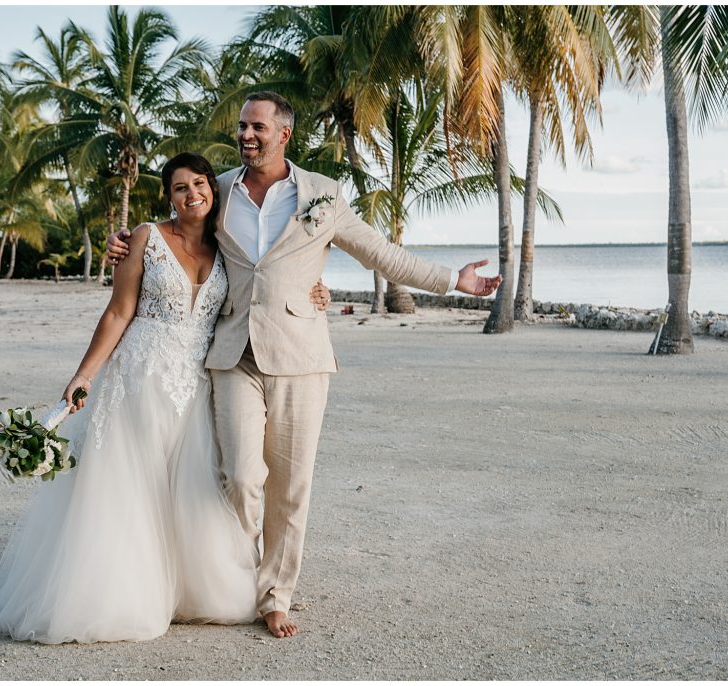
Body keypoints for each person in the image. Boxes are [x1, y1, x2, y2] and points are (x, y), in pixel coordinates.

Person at [107, 91, 502, 638]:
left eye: (257, 127)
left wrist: (451, 280)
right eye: (243, 127)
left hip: (300, 354)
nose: (246, 135)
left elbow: (380, 253)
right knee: (240, 476)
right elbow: (181, 231)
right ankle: (233, 582)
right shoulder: (218, 189)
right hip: (231, 353)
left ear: (283, 134)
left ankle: (275, 596)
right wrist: (126, 241)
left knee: (290, 485)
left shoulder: (323, 195)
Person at [0, 152, 332, 644]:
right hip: (138, 377)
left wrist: (317, 290)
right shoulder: (144, 238)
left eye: (200, 183)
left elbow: (269, 279)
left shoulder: (229, 246)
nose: (192, 194)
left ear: (213, 189)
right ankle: (122, 592)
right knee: (130, 489)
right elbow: (118, 313)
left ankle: (186, 589)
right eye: (180, 187)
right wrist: (84, 376)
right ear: (168, 196)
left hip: (196, 383)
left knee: (189, 491)